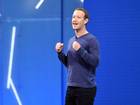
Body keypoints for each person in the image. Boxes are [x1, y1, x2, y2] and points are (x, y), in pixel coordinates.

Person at [55, 8, 99, 105]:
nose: (74, 20)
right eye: (73, 17)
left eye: (78, 17)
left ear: (85, 20)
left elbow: (95, 62)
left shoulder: (92, 40)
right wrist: (59, 53)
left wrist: (80, 50)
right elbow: (70, 64)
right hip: (71, 87)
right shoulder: (71, 40)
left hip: (86, 89)